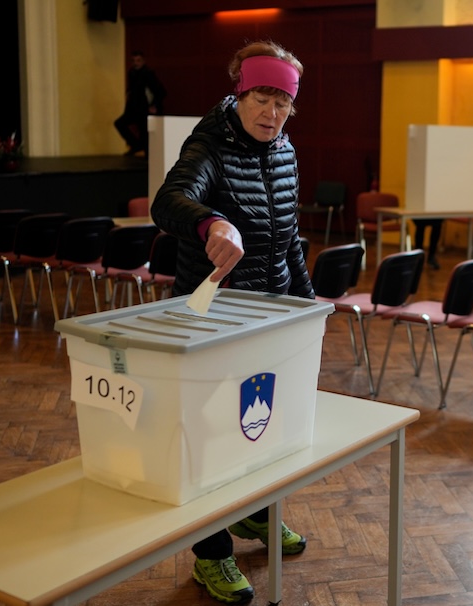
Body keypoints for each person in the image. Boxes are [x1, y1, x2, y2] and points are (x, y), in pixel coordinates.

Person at [149, 40, 313, 605]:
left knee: (265, 425)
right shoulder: (209, 144)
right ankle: (211, 554)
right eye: (262, 98)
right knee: (213, 434)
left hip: (269, 317)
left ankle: (254, 516)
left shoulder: (286, 151)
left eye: (283, 103)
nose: (272, 113)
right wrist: (213, 222)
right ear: (240, 93)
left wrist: (306, 306)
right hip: (214, 317)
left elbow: (290, 239)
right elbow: (168, 202)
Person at [114, 51, 166, 156]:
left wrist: (154, 105)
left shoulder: (148, 74)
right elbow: (132, 91)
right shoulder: (131, 73)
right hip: (134, 108)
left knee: (144, 132)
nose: (135, 63)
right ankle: (135, 145)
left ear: (143, 61)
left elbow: (161, 91)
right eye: (133, 61)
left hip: (145, 108)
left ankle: (145, 153)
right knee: (120, 123)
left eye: (138, 60)